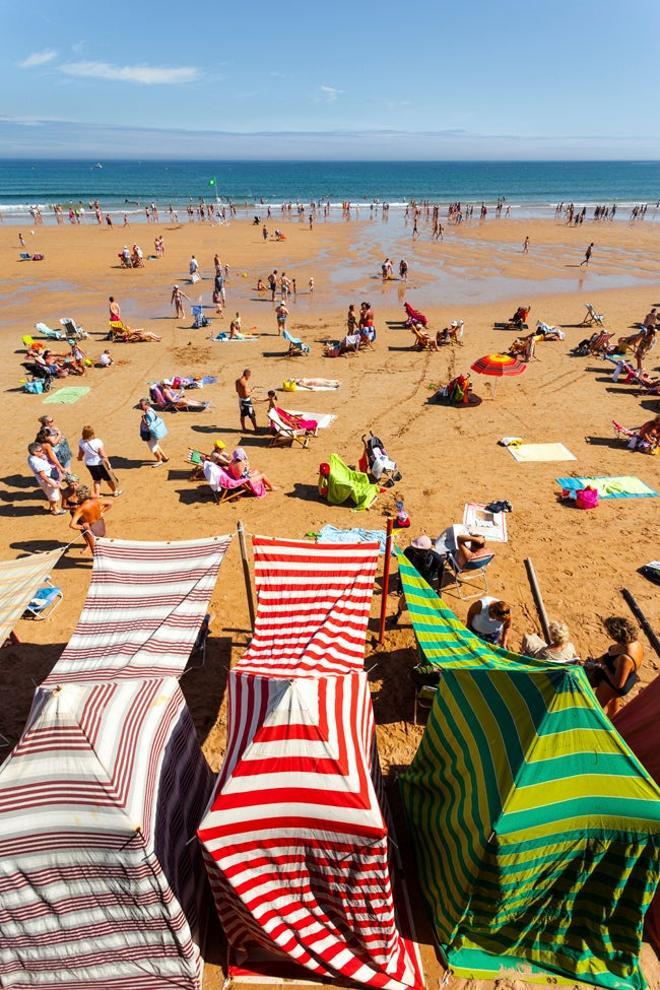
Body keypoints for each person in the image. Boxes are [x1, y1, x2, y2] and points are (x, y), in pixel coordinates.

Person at [590, 616, 643, 717]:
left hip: (612, 683)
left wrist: (603, 667)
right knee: (613, 703)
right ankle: (613, 719)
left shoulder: (625, 658)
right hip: (622, 674)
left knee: (595, 708)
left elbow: (618, 684)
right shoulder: (635, 642)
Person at [388, 536, 445, 627]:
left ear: (427, 551)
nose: (415, 552)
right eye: (415, 549)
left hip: (426, 586)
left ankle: (425, 621)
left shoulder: (437, 559)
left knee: (425, 606)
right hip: (411, 583)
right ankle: (398, 615)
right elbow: (402, 567)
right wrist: (399, 583)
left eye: (418, 550)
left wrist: (439, 589)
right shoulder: (409, 552)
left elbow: (441, 574)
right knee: (402, 602)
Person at [77, 426, 122, 496]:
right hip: (100, 464)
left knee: (96, 480)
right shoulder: (97, 441)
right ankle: (115, 491)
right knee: (108, 479)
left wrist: (79, 458)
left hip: (89, 464)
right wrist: (108, 463)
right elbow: (103, 454)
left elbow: (81, 453)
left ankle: (97, 495)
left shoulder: (81, 442)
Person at [68, 486, 112, 554]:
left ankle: (100, 563)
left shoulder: (80, 509)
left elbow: (72, 525)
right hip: (100, 524)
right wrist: (102, 511)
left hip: (91, 529)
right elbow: (110, 502)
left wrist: (83, 527)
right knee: (104, 545)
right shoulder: (96, 501)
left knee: (95, 551)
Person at [27, 442, 64, 514]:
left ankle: (52, 507)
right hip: (47, 479)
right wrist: (52, 483)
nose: (42, 452)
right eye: (40, 451)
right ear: (34, 452)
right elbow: (43, 475)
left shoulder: (33, 457)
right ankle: (55, 510)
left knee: (51, 494)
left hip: (48, 477)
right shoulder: (36, 462)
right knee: (54, 495)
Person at [138, 397, 169, 465]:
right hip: (153, 432)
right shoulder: (151, 409)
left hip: (149, 433)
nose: (140, 406)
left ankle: (159, 460)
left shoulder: (148, 414)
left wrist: (143, 418)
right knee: (156, 445)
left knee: (153, 448)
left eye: (142, 405)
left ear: (147, 405)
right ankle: (165, 457)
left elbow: (147, 424)